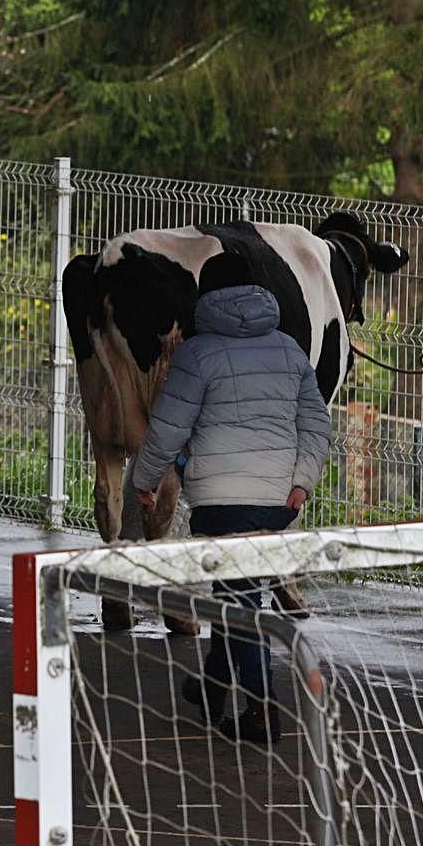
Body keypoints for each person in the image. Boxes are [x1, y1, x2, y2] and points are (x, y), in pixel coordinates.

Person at [132, 252, 331, 744]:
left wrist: (145, 479)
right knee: (238, 594)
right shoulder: (289, 350)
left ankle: (263, 710)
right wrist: (301, 483)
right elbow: (317, 424)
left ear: (207, 297)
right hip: (276, 502)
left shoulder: (197, 353)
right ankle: (213, 686)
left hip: (219, 502)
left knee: (238, 601)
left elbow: (168, 427)